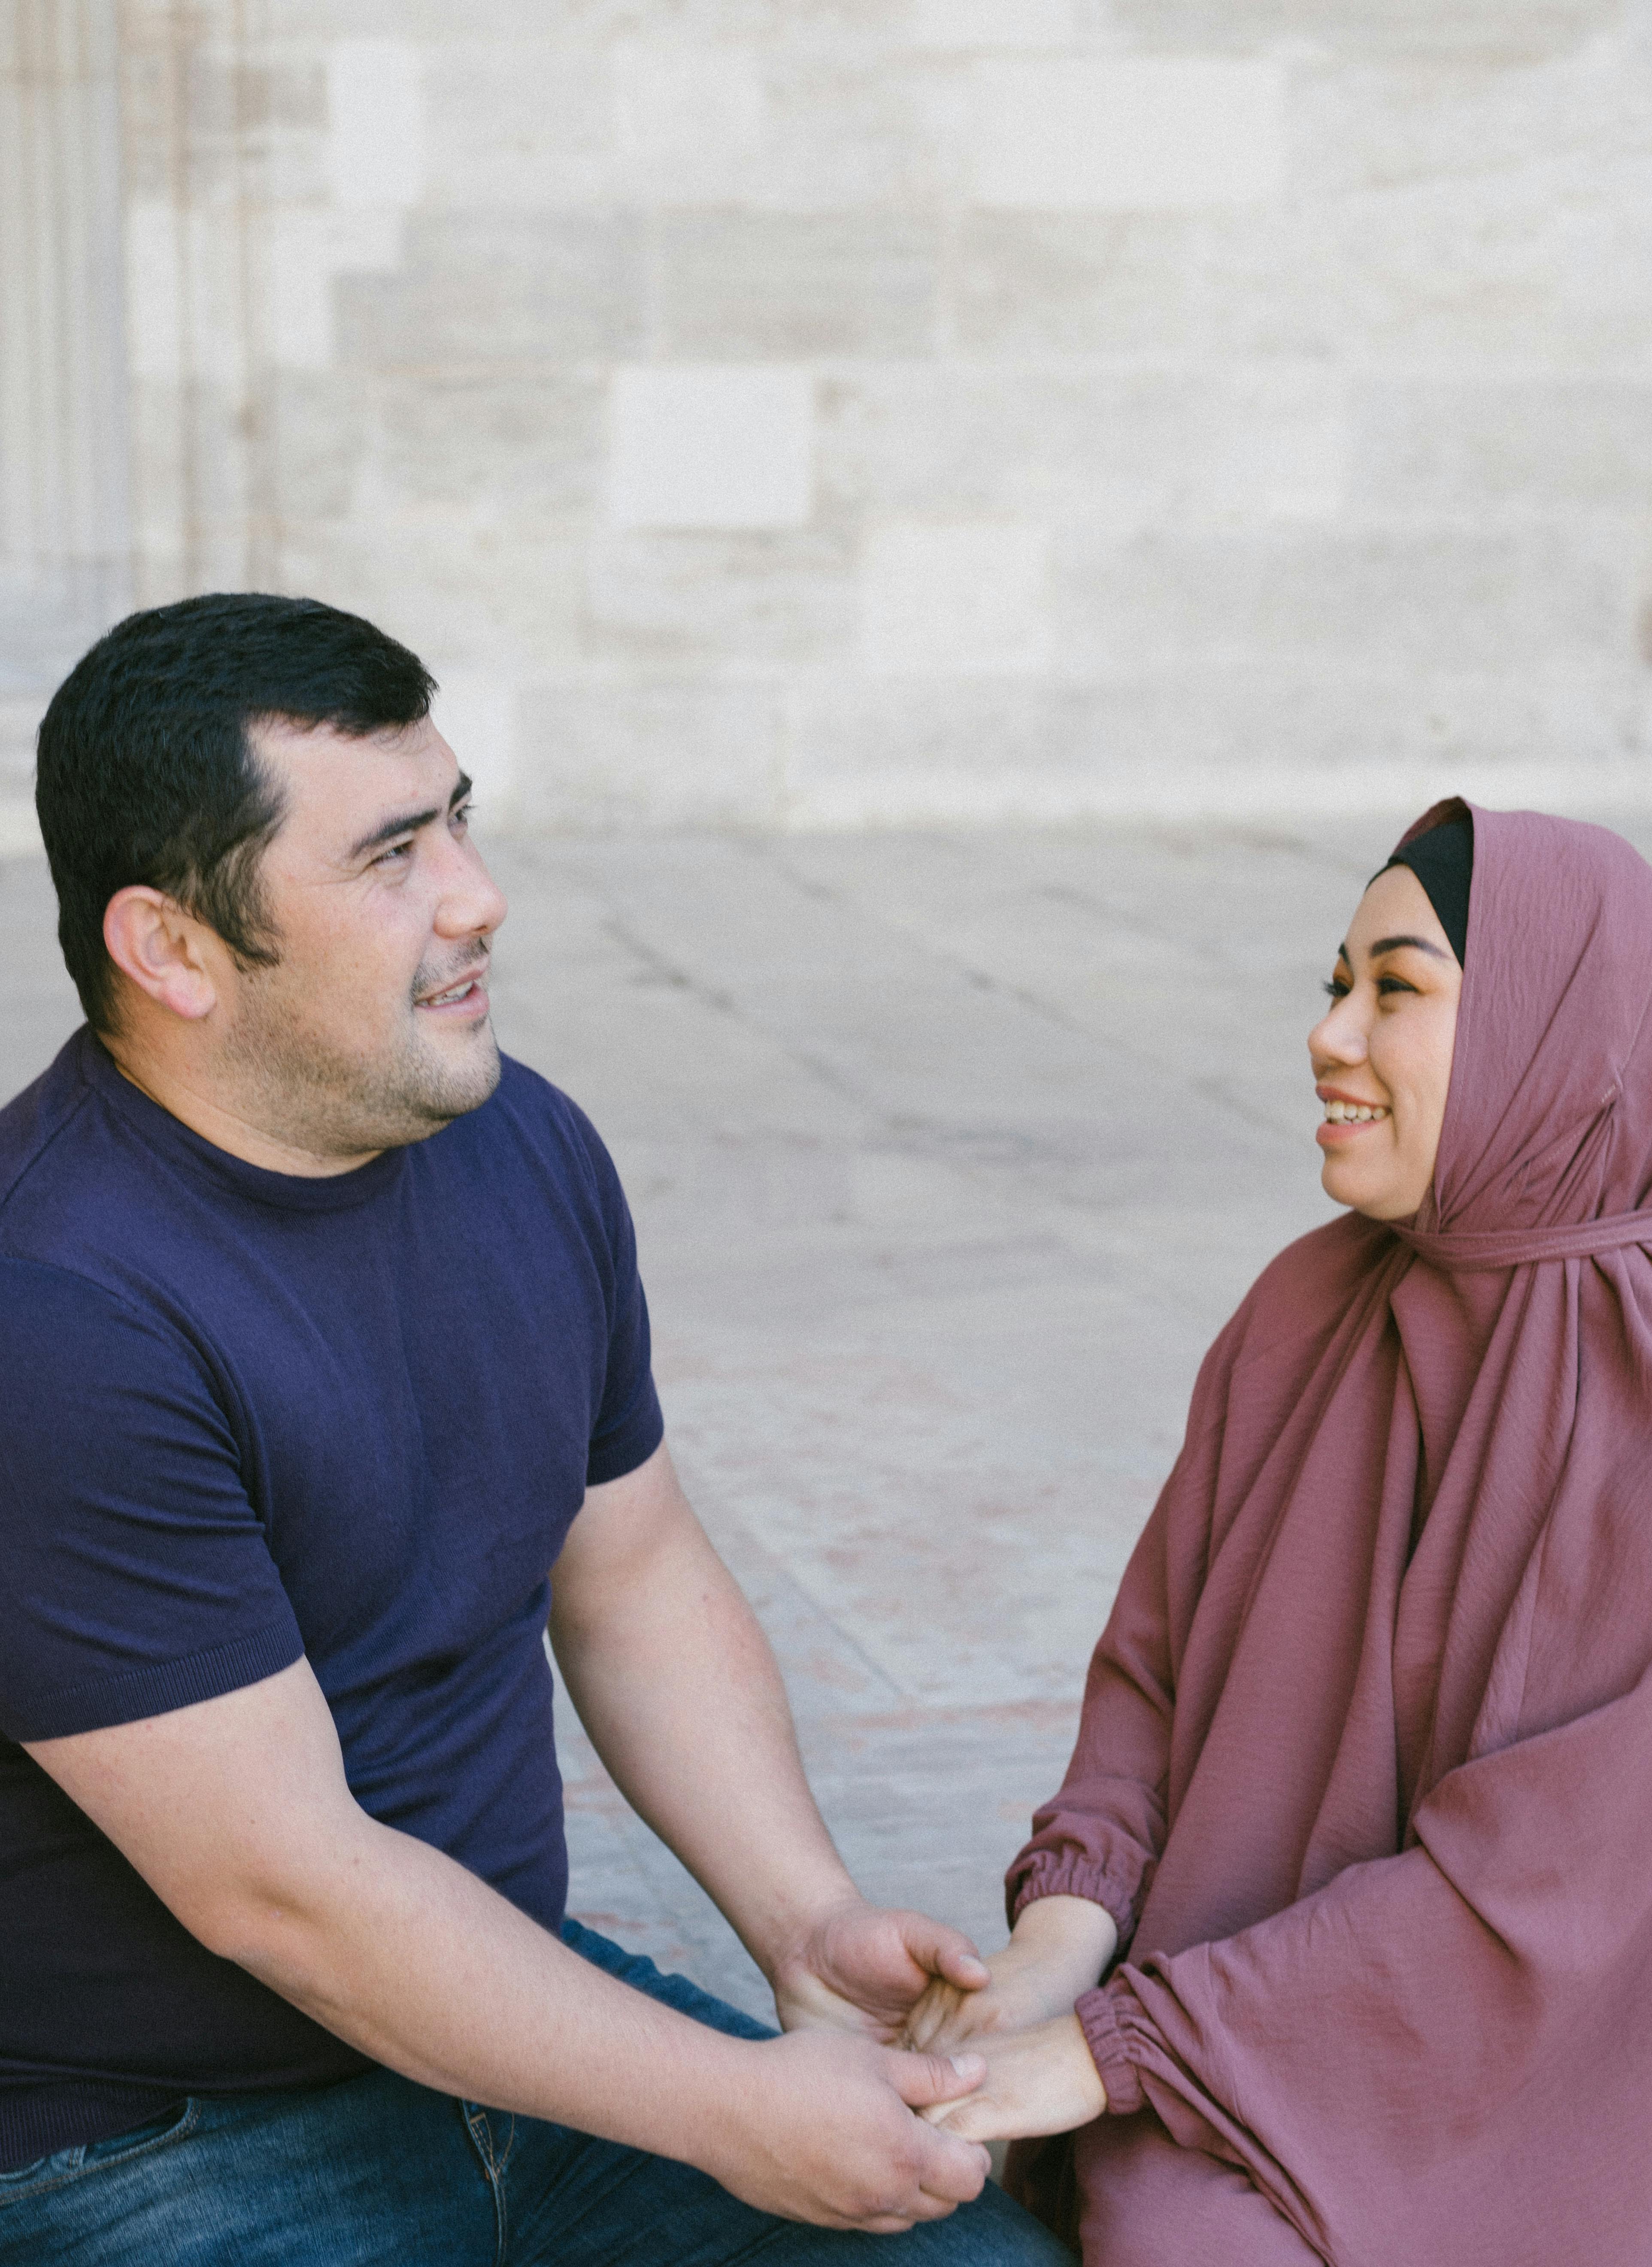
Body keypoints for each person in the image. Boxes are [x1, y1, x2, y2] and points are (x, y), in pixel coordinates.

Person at [0, 594, 1072, 2267]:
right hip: (168, 2145)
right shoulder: (56, 1316)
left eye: (460, 820)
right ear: (174, 948)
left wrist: (805, 1926)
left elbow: (632, 1571)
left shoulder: (518, 1142)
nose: (477, 897)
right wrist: (727, 2111)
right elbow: (285, 1887)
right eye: (390, 858)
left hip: (525, 2046)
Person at [903, 801, 1652, 2266]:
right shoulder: (1305, 1309)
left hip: (1571, 2093)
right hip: (1256, 2036)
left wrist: (1121, 2047)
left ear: (1559, 1035)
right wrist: (1061, 1943)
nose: (1332, 1036)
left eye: (1396, 989)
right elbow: (1150, 1680)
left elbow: (1536, 1905)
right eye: (1335, 984)